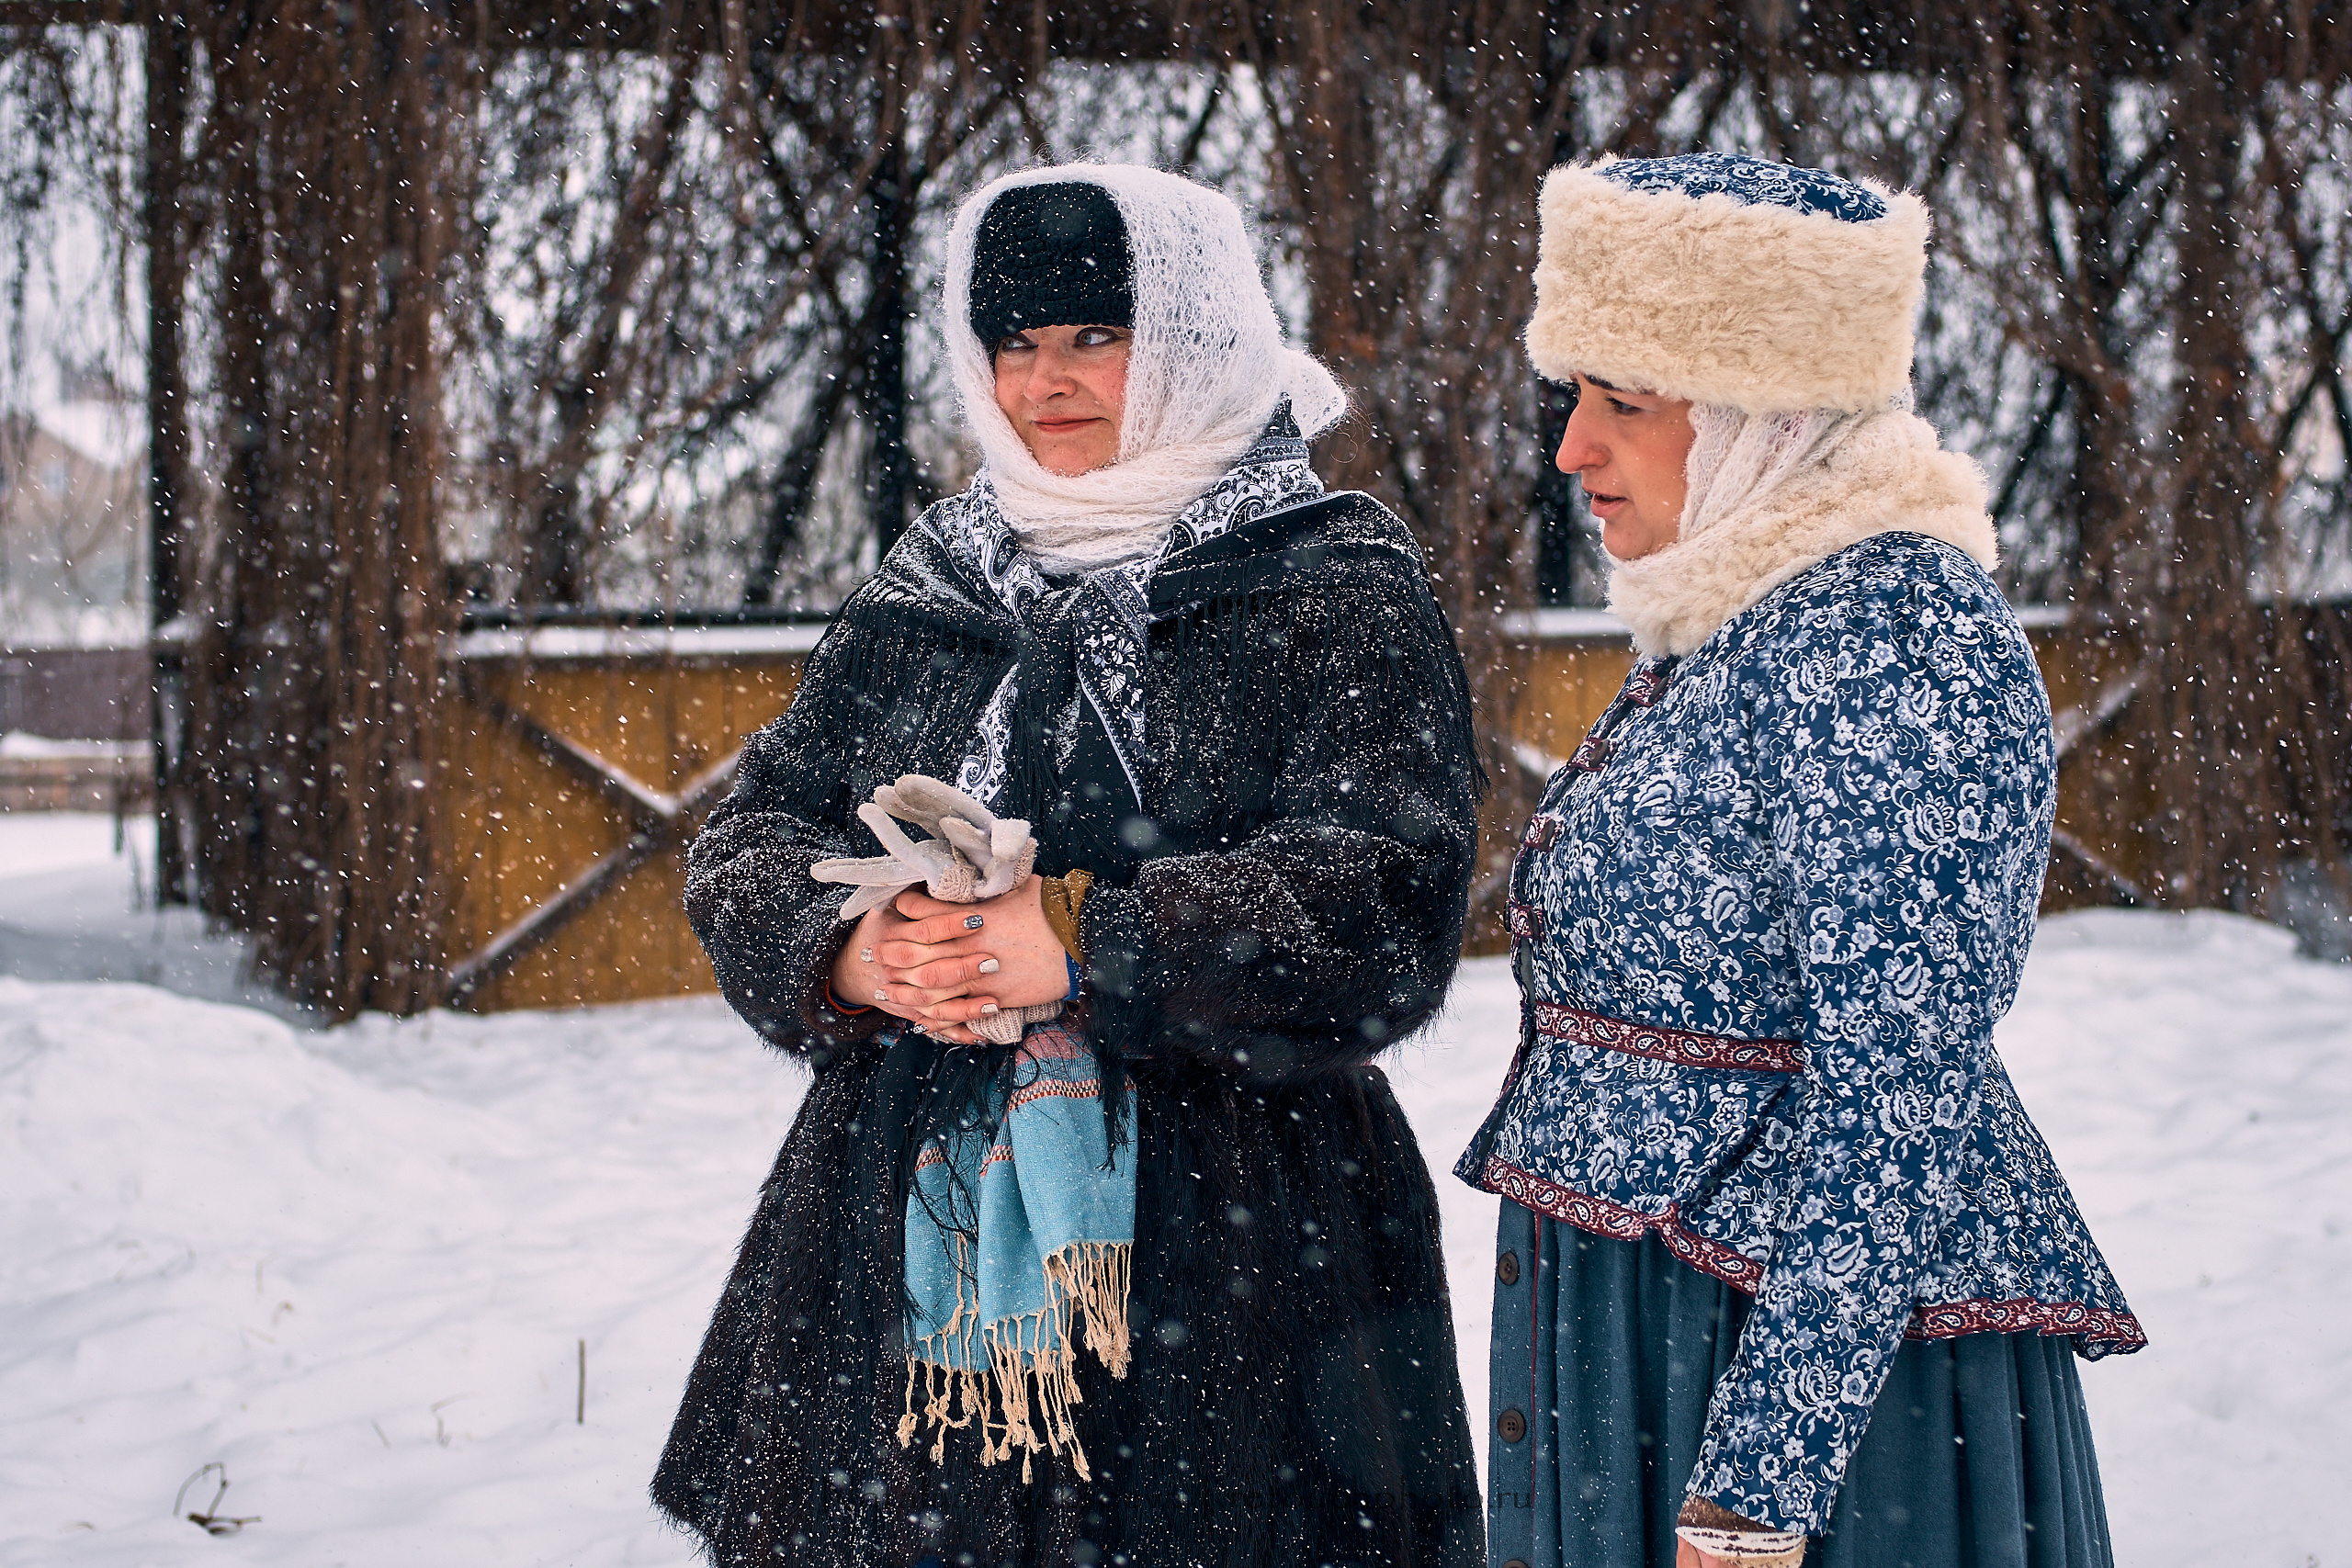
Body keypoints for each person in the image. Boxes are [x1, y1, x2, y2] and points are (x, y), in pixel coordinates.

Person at [655, 164, 1487, 1568]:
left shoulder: (1334, 576)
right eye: (1015, 342)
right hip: (906, 1199)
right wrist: (853, 953)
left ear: (1193, 337)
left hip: (1240, 1227)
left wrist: (1097, 937)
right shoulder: (936, 576)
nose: (1047, 380)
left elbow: (1391, 902)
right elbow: (756, 830)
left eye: (1095, 336)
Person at [1457, 153, 2144, 1568]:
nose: (1573, 449)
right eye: (1574, 395)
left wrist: (1763, 1491)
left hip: (1807, 1391)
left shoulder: (1894, 632)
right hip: (1659, 1338)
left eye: (1623, 403)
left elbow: (1899, 1085)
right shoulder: (1743, 616)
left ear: (1772, 415)